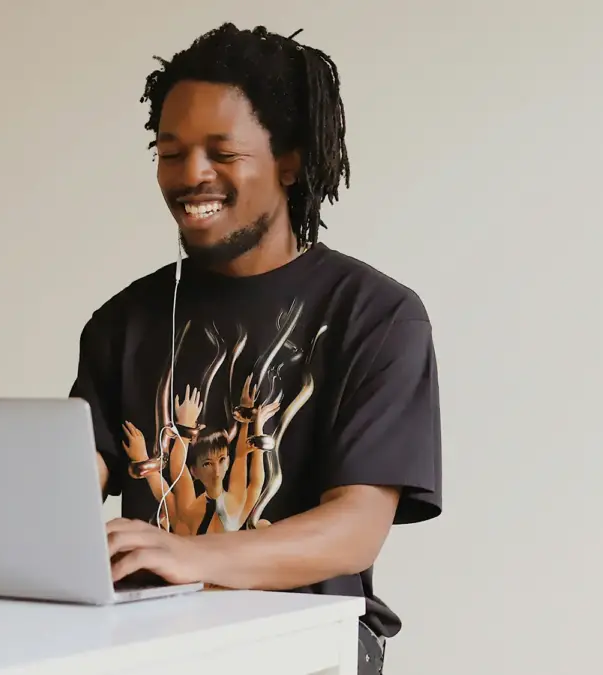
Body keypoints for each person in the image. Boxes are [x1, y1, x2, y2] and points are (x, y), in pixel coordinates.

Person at [69, 23, 442, 674]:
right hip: (151, 640)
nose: (191, 175)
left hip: (306, 646)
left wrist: (189, 555)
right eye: (170, 152)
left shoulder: (375, 315)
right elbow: (69, 486)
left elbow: (354, 529)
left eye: (222, 152)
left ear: (288, 161)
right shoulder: (121, 322)